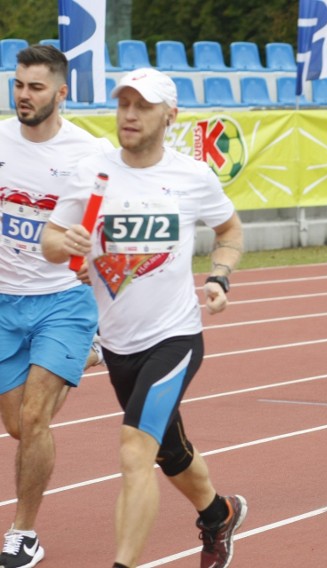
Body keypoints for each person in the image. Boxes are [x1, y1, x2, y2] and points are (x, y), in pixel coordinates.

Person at [41, 67, 246, 568]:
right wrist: (61, 244)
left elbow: (231, 231)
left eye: (142, 105)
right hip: (119, 344)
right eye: (123, 103)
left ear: (169, 115)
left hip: (175, 336)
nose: (129, 114)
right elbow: (50, 240)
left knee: (134, 451)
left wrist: (220, 276)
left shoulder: (191, 176)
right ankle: (219, 514)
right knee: (169, 453)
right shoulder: (92, 171)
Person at [0, 44, 111, 568]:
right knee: (18, 427)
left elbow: (116, 221)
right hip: (3, 301)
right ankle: (87, 356)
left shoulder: (89, 154)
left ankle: (22, 533)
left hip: (61, 300)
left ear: (61, 92)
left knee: (36, 417)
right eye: (18, 84)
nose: (24, 95)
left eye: (35, 86)